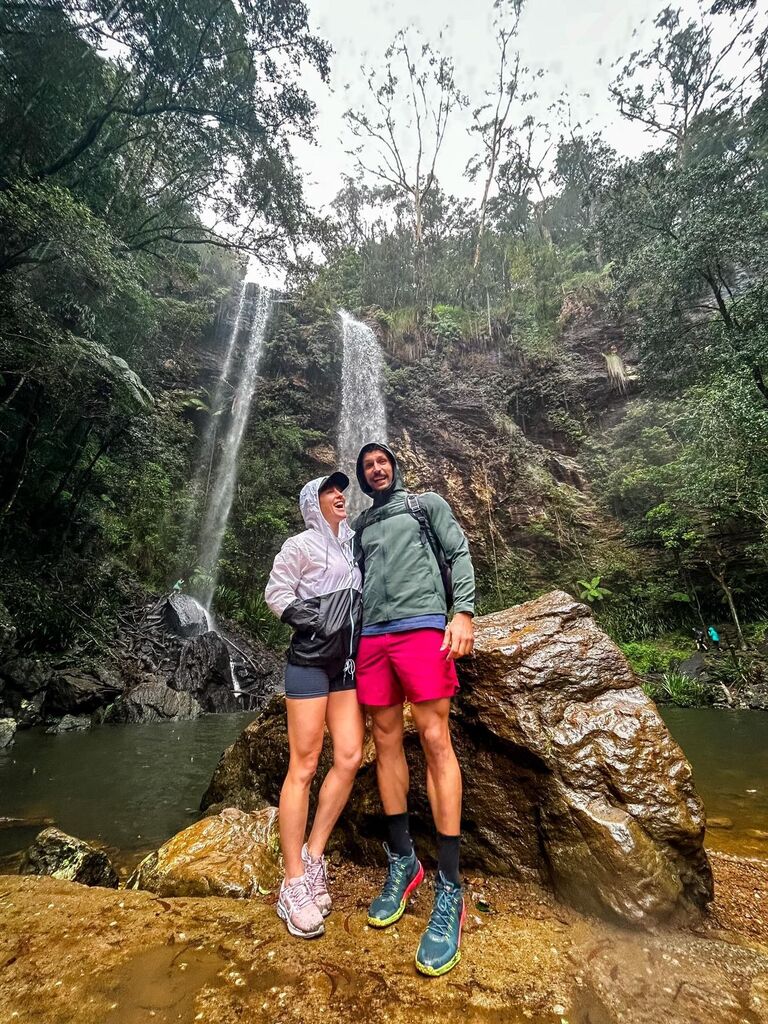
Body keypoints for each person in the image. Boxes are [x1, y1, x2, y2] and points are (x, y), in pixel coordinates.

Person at [352, 442, 475, 977]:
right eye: (367, 466)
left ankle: (450, 885)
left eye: (382, 461)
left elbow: (460, 553)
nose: (376, 469)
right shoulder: (359, 527)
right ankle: (403, 861)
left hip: (423, 626)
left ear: (395, 466)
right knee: (384, 742)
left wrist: (462, 612)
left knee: (433, 739)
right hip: (372, 638)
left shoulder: (426, 505)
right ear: (362, 477)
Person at [265, 473, 364, 939]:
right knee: (303, 766)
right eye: (330, 491)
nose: (340, 495)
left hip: (345, 665)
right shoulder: (300, 545)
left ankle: (314, 855)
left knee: (348, 756)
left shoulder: (353, 545)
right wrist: (314, 622)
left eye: (342, 490)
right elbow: (276, 593)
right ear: (313, 502)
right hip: (307, 661)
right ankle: (292, 883)